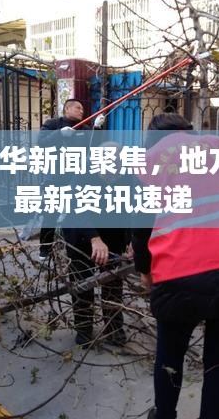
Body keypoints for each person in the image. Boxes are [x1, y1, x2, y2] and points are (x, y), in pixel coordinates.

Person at [132, 113, 219, 419]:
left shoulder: (149, 161)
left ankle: (164, 415)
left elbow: (140, 226)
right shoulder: (218, 149)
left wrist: (145, 270)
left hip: (179, 273)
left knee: (170, 355)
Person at [63, 142, 130, 347]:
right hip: (81, 235)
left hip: (113, 235)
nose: (111, 175)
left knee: (112, 281)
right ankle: (83, 329)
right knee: (82, 283)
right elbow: (76, 208)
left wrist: (132, 241)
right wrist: (94, 238)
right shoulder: (83, 173)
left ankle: (114, 328)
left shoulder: (129, 176)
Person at [36, 99, 102, 259]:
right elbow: (41, 143)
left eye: (82, 109)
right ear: (67, 109)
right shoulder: (52, 124)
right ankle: (45, 250)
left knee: (77, 215)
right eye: (78, 108)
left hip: (77, 179)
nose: (82, 111)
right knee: (50, 215)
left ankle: (75, 252)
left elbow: (94, 148)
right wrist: (59, 134)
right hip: (55, 179)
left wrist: (97, 128)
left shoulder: (85, 128)